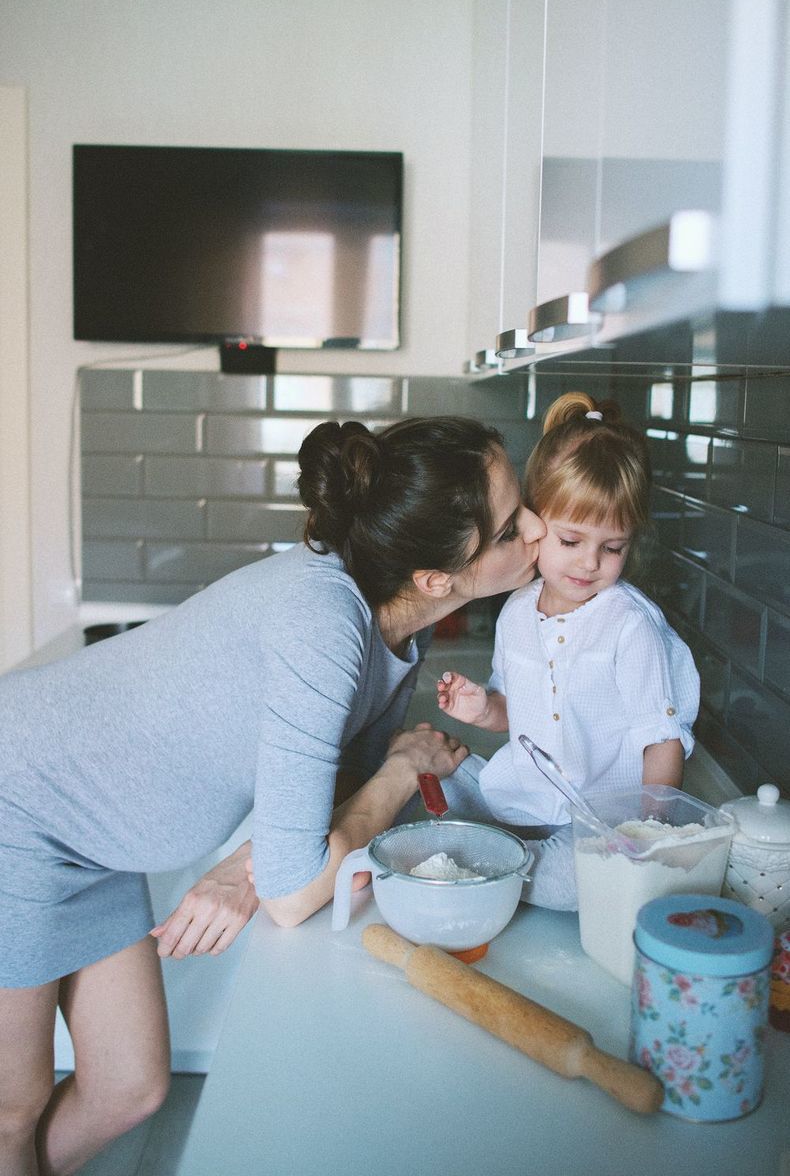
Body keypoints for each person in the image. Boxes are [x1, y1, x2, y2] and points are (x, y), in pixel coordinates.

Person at [0, 415, 544, 1175]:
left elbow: (331, 793)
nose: (539, 529)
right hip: (19, 800)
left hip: (93, 835)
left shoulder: (391, 629)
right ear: (436, 577)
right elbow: (297, 889)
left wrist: (247, 864)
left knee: (129, 1089)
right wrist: (398, 773)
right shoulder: (323, 624)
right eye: (513, 527)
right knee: (12, 1108)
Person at [436, 392, 699, 900]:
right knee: (435, 781)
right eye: (571, 541)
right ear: (534, 523)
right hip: (525, 803)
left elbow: (661, 739)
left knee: (569, 880)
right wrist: (482, 707)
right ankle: (503, 858)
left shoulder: (629, 626)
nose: (588, 564)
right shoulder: (516, 612)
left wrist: (647, 831)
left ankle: (497, 864)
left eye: (612, 547)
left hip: (599, 824)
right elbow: (520, 712)